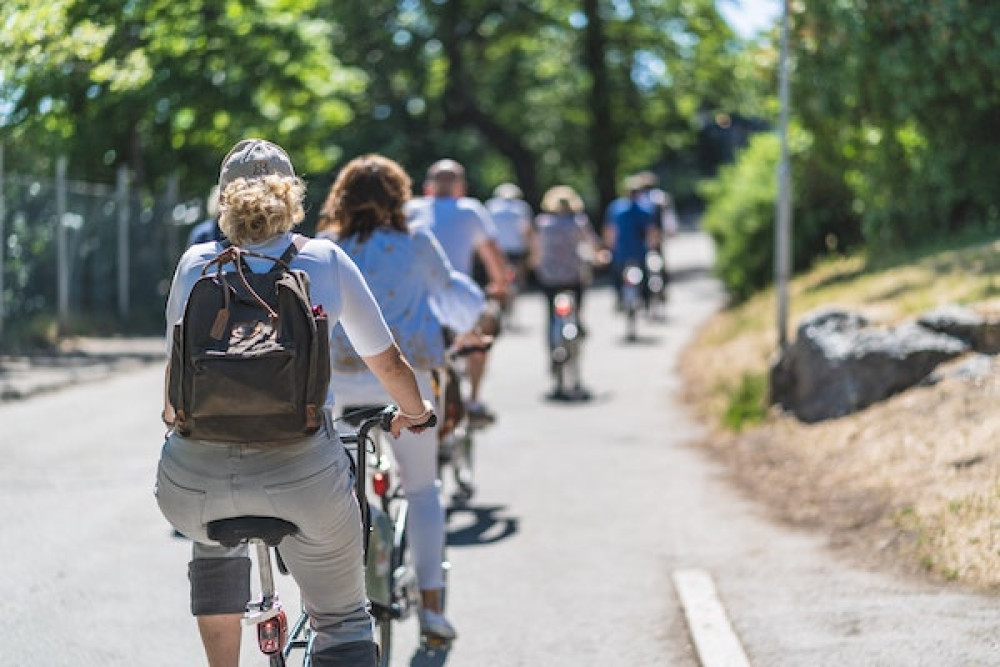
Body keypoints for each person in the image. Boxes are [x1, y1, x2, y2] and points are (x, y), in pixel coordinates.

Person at [157, 139, 436, 667]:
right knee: (343, 621)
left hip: (194, 484)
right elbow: (390, 364)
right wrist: (417, 415)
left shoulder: (196, 262)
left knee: (214, 547)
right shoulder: (325, 259)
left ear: (223, 198)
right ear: (293, 195)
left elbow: (172, 397)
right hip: (302, 476)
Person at [316, 153, 487, 642]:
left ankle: (335, 609)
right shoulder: (416, 243)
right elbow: (455, 297)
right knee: (422, 489)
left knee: (337, 497)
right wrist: (475, 320)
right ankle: (432, 608)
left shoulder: (327, 247)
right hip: (409, 385)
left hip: (340, 387)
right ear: (400, 197)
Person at [405, 159, 509, 426]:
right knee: (481, 335)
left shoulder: (411, 209)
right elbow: (492, 255)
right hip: (457, 301)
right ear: (460, 187)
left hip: (416, 300)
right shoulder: (470, 210)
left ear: (428, 187)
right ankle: (473, 399)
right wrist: (499, 284)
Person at [530, 185, 603, 340]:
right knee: (580, 290)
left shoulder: (543, 223)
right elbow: (592, 243)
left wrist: (533, 263)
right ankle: (578, 318)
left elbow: (536, 248)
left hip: (549, 274)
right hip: (573, 273)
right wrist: (599, 257)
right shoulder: (578, 221)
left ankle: (553, 349)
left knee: (550, 313)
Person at [602, 175, 658, 307]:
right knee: (644, 275)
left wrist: (608, 247)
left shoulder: (615, 208)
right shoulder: (645, 208)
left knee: (617, 275)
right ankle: (646, 301)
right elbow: (651, 231)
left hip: (621, 250)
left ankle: (620, 298)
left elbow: (609, 231)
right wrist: (653, 246)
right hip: (638, 249)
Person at [485, 182, 534, 296]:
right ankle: (520, 292)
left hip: (498, 248)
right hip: (517, 247)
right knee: (519, 274)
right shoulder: (522, 207)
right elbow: (526, 230)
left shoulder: (491, 206)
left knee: (496, 276)